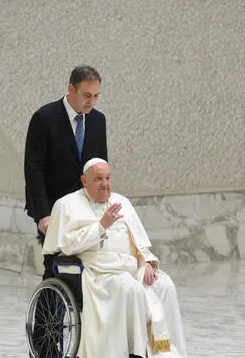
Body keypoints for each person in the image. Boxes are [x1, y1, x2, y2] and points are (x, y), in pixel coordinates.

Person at [43, 158, 187, 358]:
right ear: (84, 181)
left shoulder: (123, 202)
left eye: (108, 178)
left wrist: (146, 262)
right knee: (130, 288)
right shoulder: (66, 205)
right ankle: (132, 353)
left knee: (165, 285)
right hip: (98, 273)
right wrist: (101, 226)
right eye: (98, 179)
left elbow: (139, 242)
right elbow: (65, 246)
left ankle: (164, 353)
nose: (105, 184)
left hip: (132, 268)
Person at [24, 65, 108, 279]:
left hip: (86, 209)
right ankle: (47, 312)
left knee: (88, 269)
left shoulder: (98, 121)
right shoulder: (44, 118)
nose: (91, 101)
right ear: (71, 89)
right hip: (52, 208)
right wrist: (42, 214)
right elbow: (34, 169)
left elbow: (101, 165)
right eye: (86, 95)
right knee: (55, 268)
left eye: (96, 96)